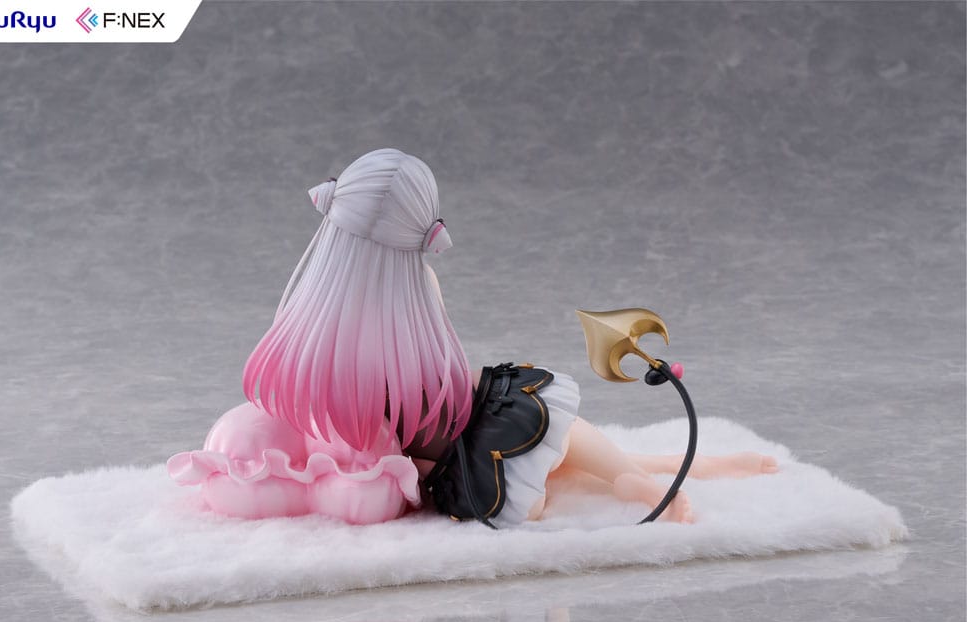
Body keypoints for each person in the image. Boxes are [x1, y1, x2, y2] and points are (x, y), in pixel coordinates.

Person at [168, 149, 776, 526]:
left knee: (558, 456)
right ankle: (641, 479)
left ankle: (678, 468)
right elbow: (443, 387)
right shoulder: (418, 292)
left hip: (455, 473)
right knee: (558, 432)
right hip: (478, 439)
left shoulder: (309, 315)